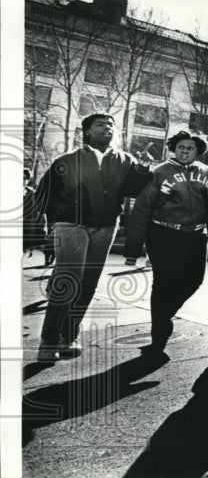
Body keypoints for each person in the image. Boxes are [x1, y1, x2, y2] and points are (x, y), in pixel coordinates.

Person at [34, 113, 152, 361]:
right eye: (100, 124)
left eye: (111, 125)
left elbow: (132, 190)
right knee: (68, 279)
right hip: (72, 226)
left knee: (88, 282)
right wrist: (60, 216)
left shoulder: (125, 160)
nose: (107, 128)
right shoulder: (68, 160)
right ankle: (48, 341)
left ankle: (69, 336)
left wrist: (142, 170)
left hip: (106, 227)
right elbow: (45, 194)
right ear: (87, 131)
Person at [123, 130, 208, 357]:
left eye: (190, 148)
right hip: (163, 235)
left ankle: (163, 316)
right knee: (164, 284)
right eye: (181, 147)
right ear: (173, 148)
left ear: (198, 151)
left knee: (194, 281)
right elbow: (142, 210)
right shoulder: (159, 172)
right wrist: (133, 248)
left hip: (196, 237)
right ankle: (158, 338)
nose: (185, 151)